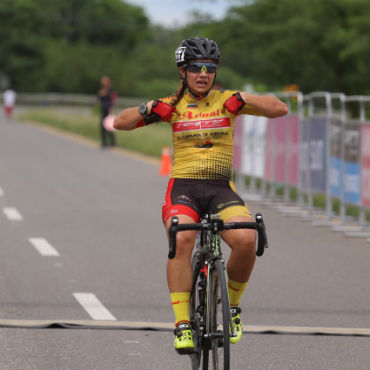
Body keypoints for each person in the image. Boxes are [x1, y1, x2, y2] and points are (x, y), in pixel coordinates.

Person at [113, 37, 288, 354]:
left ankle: (232, 308)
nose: (203, 74)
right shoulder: (173, 106)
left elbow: (280, 108)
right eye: (196, 68)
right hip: (185, 189)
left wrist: (244, 99)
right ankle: (182, 324)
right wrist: (149, 108)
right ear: (183, 71)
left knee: (248, 238)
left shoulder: (227, 101)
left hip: (221, 189)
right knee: (181, 239)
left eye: (209, 68)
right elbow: (119, 123)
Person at [97, 76, 117, 148]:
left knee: (109, 126)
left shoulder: (111, 90)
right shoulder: (101, 91)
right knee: (102, 127)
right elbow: (99, 100)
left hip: (109, 110)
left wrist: (112, 108)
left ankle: (113, 142)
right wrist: (100, 95)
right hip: (103, 110)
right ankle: (104, 142)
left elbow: (114, 99)